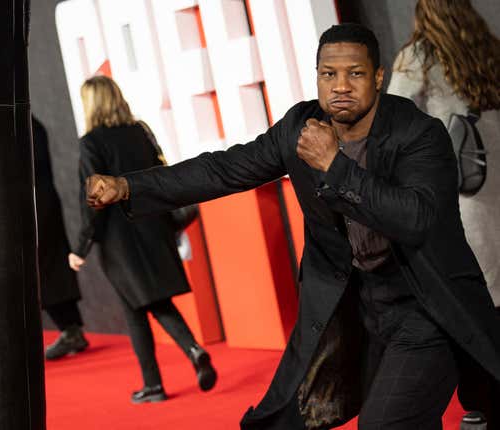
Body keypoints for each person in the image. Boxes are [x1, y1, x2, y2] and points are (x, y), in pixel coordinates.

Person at [84, 24, 500, 429]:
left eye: (355, 74)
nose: (340, 86)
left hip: (427, 306)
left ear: (378, 78)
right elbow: (221, 170)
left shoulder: (418, 134)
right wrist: (127, 185)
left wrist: (335, 167)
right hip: (358, 308)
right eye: (328, 74)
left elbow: (417, 218)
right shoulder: (299, 130)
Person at [69, 76, 217, 403]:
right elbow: (162, 176)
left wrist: (81, 247)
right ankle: (184, 359)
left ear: (90, 103)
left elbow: (95, 199)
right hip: (154, 226)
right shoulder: (140, 131)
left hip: (119, 239)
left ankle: (159, 379)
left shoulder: (91, 143)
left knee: (141, 304)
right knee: (146, 301)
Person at [387, 1, 500, 427]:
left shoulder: (419, 57)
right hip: (498, 197)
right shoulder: (491, 50)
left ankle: (482, 405)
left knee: (472, 310)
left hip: (462, 203)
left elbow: (391, 124)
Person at [31, 116, 88, 360]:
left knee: (44, 267)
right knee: (50, 265)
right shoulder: (33, 123)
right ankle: (71, 328)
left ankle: (70, 329)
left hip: (33, 205)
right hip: (42, 202)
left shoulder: (22, 124)